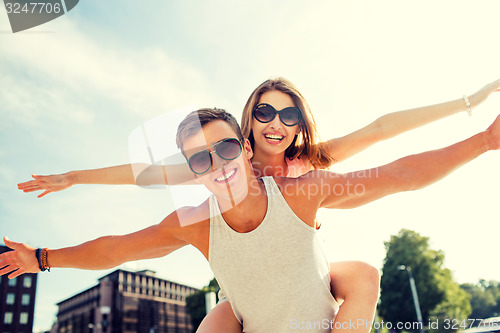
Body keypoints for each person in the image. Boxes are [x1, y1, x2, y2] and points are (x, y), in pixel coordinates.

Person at [16, 78, 500, 332]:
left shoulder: (307, 171)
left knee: (362, 275)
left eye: (288, 114)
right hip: (246, 282)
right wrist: (73, 182)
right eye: (264, 112)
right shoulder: (211, 168)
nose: (275, 123)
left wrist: (472, 114)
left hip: (303, 269)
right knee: (221, 317)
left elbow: (385, 150)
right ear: (249, 126)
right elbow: (135, 198)